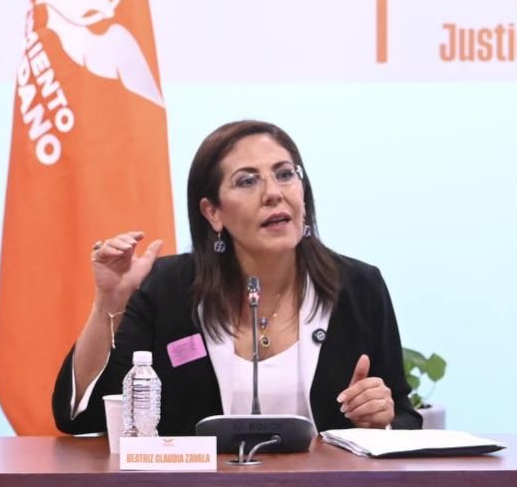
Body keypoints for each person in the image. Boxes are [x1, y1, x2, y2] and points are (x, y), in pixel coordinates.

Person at [53, 119, 420, 435]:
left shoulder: (357, 287)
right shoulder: (168, 288)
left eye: (285, 174)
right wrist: (109, 301)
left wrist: (381, 420)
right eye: (247, 181)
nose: (274, 193)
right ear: (213, 212)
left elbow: (404, 418)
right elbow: (81, 417)